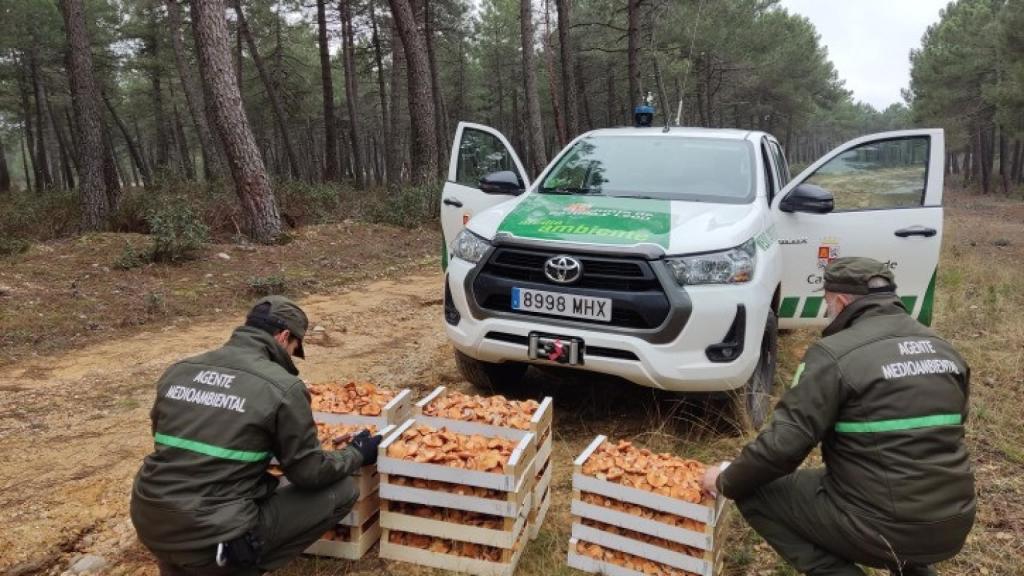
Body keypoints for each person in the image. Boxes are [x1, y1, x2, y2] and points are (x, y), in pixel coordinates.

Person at [703, 257, 975, 576]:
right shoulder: (944, 350)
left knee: (754, 490)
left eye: (826, 303)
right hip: (954, 522)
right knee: (905, 481)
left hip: (885, 527)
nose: (826, 313)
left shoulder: (835, 354)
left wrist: (726, 479)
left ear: (841, 301)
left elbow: (782, 448)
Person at [130, 296, 383, 575]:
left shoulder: (179, 371)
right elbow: (309, 473)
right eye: (293, 349)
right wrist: (357, 452)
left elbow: (173, 441)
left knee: (189, 543)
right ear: (284, 336)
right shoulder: (282, 387)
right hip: (212, 532)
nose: (290, 357)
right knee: (343, 491)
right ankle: (241, 564)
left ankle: (188, 562)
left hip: (150, 521)